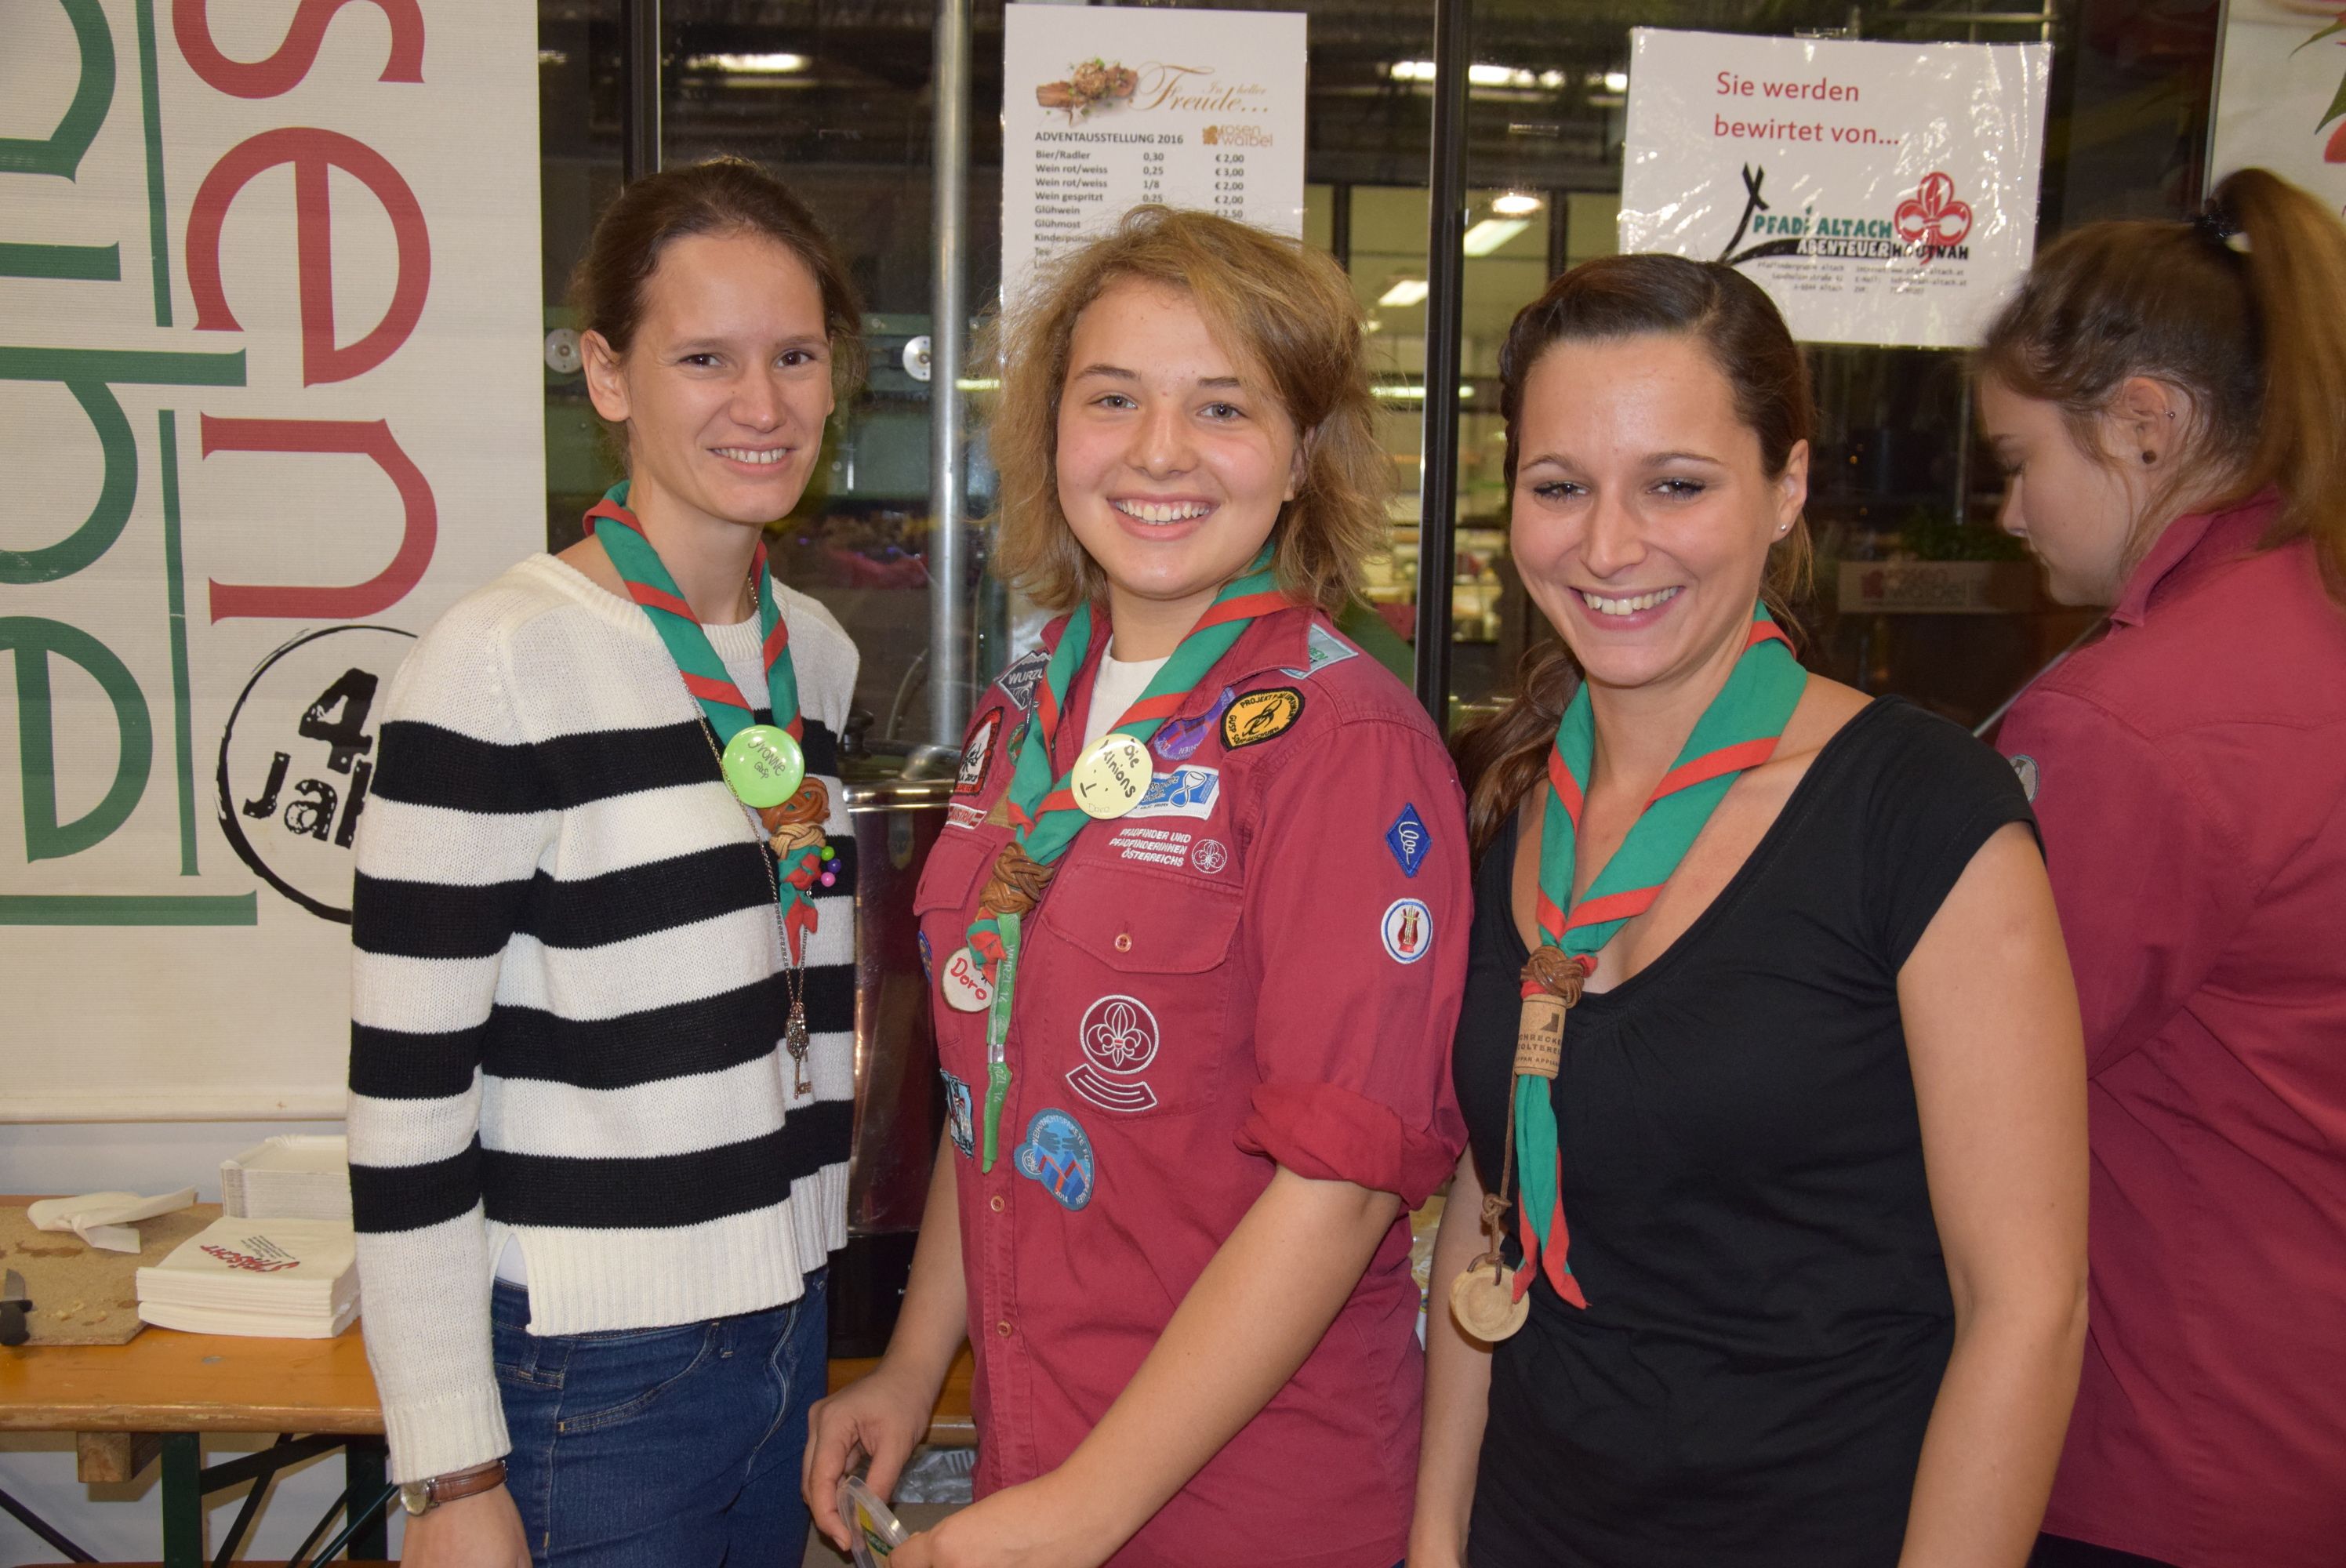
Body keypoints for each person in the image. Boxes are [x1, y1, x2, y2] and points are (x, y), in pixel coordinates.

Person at [804, 206, 1470, 1568]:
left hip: (1247, 1507)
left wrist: (1082, 1512)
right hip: (1035, 1454)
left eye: (1223, 406)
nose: (1159, 452)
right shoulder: (1026, 713)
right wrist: (915, 1365)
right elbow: (991, 1084)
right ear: (1053, 432)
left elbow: (1340, 1189)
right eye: (1113, 398)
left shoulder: (1347, 743)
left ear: (1302, 453)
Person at [1413, 255, 2089, 1568]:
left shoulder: (1917, 814)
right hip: (1532, 1527)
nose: (1609, 547)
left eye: (1676, 485)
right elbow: (1488, 1203)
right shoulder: (1505, 799)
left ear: (1787, 488)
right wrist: (1439, 1537)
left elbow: (2028, 1309)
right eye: (1560, 487)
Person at [347, 158, 863, 1566]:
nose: (762, 404)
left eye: (795, 355)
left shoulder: (813, 655)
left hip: (788, 1326)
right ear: (608, 375)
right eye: (705, 358)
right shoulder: (499, 664)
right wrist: (449, 1472)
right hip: (590, 1375)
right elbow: (406, 1103)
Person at [1977, 167, 2346, 1568]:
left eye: (2019, 464)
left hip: (2162, 1435)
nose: (2009, 515)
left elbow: (1972, 1069)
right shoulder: (2310, 630)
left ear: (2147, 424)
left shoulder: (2133, 723)